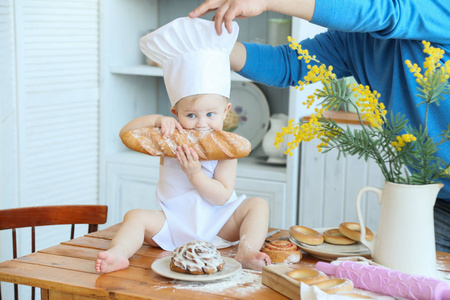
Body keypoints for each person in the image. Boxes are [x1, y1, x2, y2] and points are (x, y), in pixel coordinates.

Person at [189, 0, 450, 253]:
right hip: (435, 197)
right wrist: (212, 46)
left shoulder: (434, 7)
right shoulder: (355, 39)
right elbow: (289, 64)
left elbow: (382, 12)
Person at [96, 17, 271, 273]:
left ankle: (246, 252)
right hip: (172, 221)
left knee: (258, 205)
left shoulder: (227, 149)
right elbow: (126, 133)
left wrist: (195, 174)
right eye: (191, 115)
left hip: (219, 222)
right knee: (135, 216)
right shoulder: (169, 137)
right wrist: (157, 121)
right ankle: (118, 254)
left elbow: (222, 195)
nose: (201, 123)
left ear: (226, 111)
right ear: (175, 113)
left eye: (211, 115)